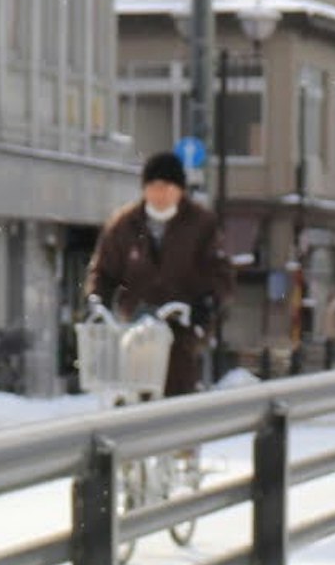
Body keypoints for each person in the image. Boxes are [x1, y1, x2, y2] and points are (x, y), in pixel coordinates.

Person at [89, 152, 232, 397]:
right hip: (133, 327)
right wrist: (96, 300)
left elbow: (220, 272)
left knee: (176, 389)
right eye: (153, 187)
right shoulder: (124, 224)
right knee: (132, 393)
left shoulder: (201, 224)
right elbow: (103, 271)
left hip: (181, 328)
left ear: (179, 190)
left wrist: (207, 303)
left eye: (166, 187)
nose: (159, 194)